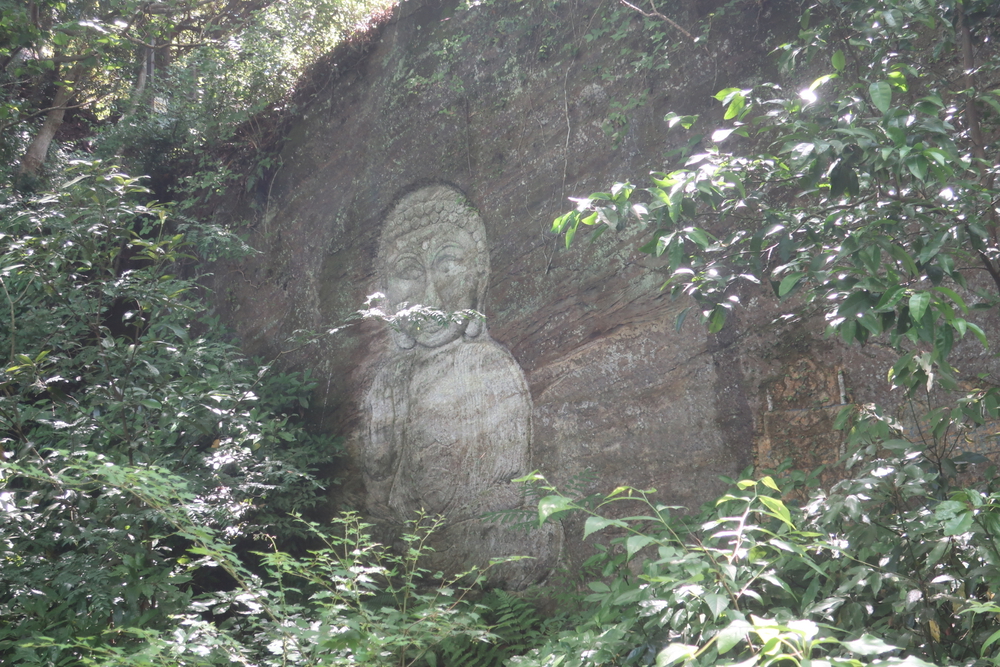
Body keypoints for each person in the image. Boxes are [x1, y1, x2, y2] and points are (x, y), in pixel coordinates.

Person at [364, 185, 559, 588]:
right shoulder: (391, 376)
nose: (430, 294)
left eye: (448, 264)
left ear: (479, 276)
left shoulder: (491, 364)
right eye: (408, 272)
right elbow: (378, 479)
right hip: (412, 536)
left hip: (477, 534)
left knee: (529, 535)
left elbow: (507, 490)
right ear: (386, 289)